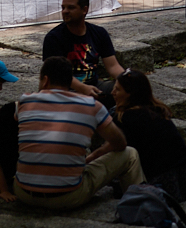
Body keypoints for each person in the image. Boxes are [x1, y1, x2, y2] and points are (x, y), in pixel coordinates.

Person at [14, 57, 144, 209]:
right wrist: (94, 156)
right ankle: (137, 207)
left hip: (23, 192)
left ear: (45, 80)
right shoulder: (92, 105)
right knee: (130, 154)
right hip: (68, 197)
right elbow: (120, 143)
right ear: (70, 81)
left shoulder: (24, 102)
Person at [111, 69, 186, 201]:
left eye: (118, 90)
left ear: (130, 94)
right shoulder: (158, 110)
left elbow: (114, 148)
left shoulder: (124, 119)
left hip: (164, 184)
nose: (113, 93)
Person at [43, 0, 124, 109]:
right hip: (64, 91)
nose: (65, 11)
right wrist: (83, 89)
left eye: (70, 7)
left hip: (94, 86)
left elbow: (113, 66)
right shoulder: (53, 38)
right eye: (63, 7)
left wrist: (127, 80)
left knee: (128, 92)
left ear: (84, 10)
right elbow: (57, 75)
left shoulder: (99, 33)